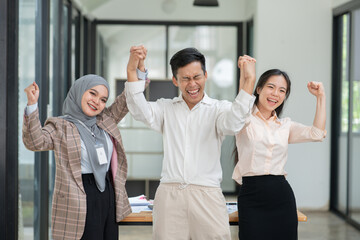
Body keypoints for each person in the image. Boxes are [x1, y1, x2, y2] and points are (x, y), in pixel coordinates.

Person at [125, 45, 256, 240]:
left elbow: (234, 123)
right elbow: (138, 110)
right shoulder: (166, 108)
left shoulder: (219, 109)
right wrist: (132, 71)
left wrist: (249, 81)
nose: (192, 84)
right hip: (170, 195)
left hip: (207, 196)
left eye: (197, 77)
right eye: (185, 78)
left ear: (205, 75)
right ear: (175, 80)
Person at [22, 75, 131, 240]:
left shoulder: (104, 121)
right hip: (79, 194)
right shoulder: (61, 126)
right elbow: (34, 142)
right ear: (79, 91)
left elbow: (125, 101)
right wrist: (32, 105)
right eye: (92, 93)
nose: (97, 101)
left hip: (107, 193)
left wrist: (138, 72)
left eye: (103, 99)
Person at [232, 69, 327, 240]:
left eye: (282, 90)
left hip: (281, 196)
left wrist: (321, 97)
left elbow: (317, 134)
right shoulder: (244, 119)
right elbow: (240, 108)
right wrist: (246, 75)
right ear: (259, 88)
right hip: (251, 196)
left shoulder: (285, 125)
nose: (275, 94)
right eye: (271, 87)